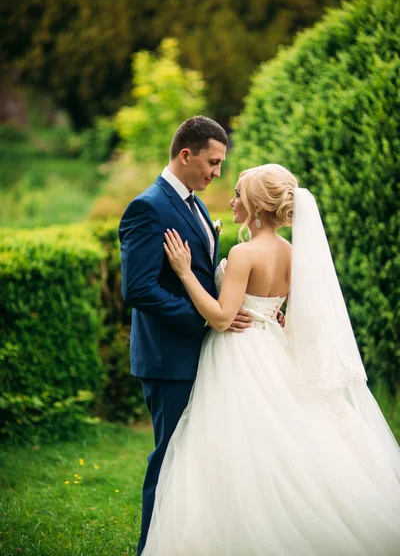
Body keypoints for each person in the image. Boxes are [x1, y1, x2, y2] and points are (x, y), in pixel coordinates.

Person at [142, 163, 400, 555]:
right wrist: (272, 312)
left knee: (234, 444)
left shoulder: (243, 252)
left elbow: (223, 317)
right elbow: (292, 310)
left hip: (239, 354)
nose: (231, 201)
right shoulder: (294, 253)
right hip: (274, 348)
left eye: (239, 196)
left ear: (257, 207)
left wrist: (184, 272)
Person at [119, 116, 260, 555]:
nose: (217, 172)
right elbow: (139, 287)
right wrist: (205, 321)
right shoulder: (149, 207)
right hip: (168, 358)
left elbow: (197, 274)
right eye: (213, 162)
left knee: (196, 459)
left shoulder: (194, 204)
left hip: (200, 353)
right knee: (169, 459)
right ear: (186, 154)